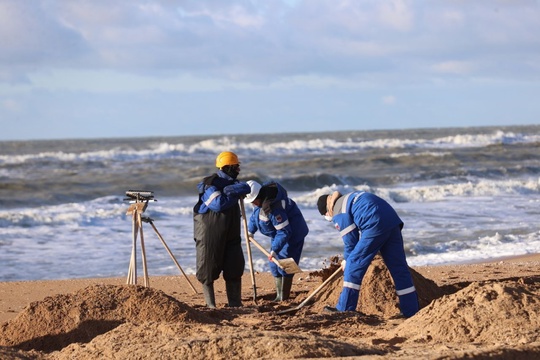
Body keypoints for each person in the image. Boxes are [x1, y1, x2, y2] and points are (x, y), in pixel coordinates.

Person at [316, 190, 419, 317]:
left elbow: (350, 242)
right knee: (398, 267)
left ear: (327, 212)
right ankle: (411, 310)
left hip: (374, 222)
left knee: (353, 264)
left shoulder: (338, 210)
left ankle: (344, 309)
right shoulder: (348, 197)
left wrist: (347, 260)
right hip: (392, 220)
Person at [193, 151, 251, 308]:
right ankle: (211, 305)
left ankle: (235, 304)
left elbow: (246, 187)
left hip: (231, 230)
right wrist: (233, 193)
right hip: (209, 231)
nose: (238, 169)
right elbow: (218, 204)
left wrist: (228, 191)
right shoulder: (209, 184)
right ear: (227, 167)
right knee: (207, 268)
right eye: (236, 166)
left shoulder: (233, 183)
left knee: (234, 265)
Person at [245, 180, 308, 301]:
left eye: (253, 201)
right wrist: (250, 231)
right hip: (278, 234)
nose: (252, 203)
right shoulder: (259, 203)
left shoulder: (274, 208)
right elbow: (255, 217)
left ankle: (283, 296)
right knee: (273, 264)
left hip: (293, 234)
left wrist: (274, 249)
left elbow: (285, 232)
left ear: (259, 196)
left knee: (285, 263)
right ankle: (278, 294)